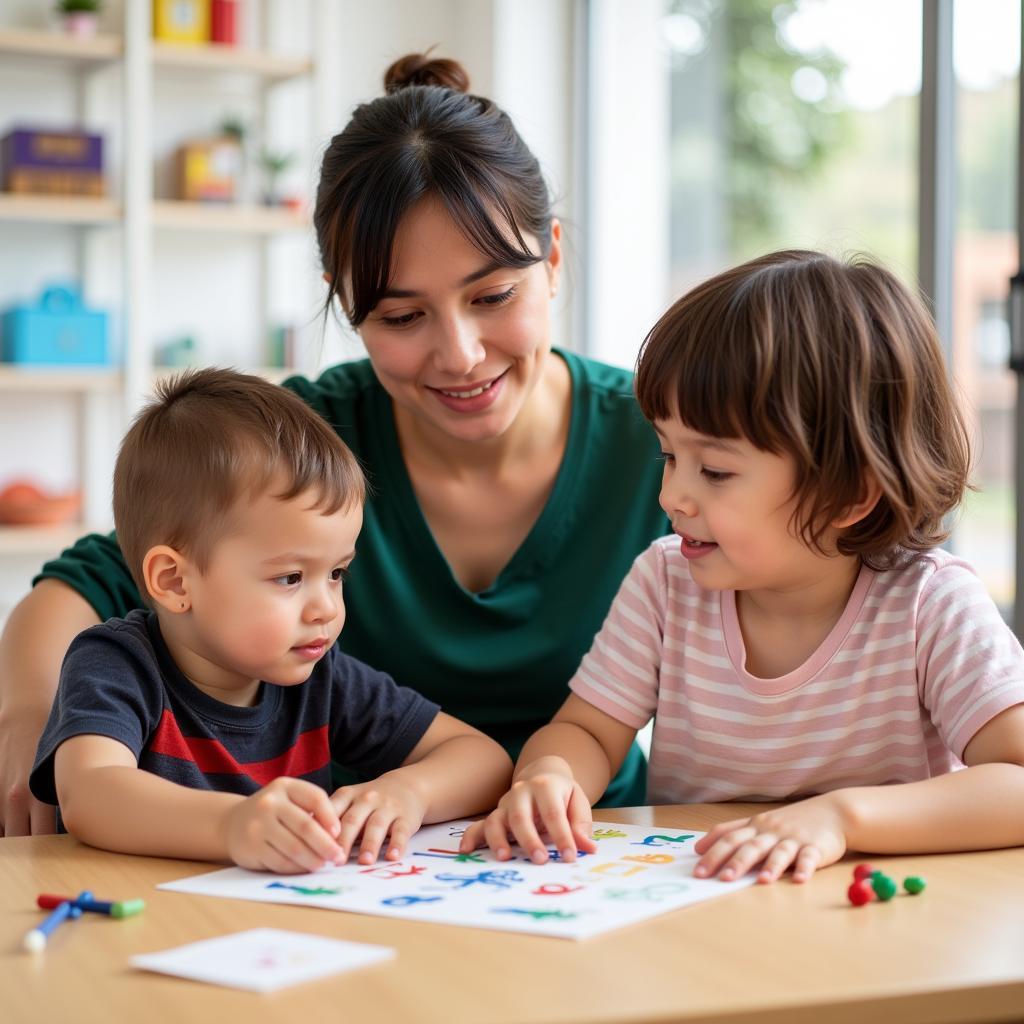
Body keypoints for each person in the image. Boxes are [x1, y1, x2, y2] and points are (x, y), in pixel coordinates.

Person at [0, 54, 667, 836]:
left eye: (493, 296)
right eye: (401, 317)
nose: (458, 354)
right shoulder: (303, 448)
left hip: (595, 851)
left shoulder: (665, 439)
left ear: (551, 258)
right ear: (345, 300)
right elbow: (87, 582)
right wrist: (27, 717)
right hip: (357, 859)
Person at [461, 249, 1024, 882]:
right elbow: (587, 732)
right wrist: (550, 775)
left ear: (847, 494)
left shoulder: (931, 604)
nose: (672, 496)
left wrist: (841, 818)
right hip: (705, 908)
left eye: (716, 471)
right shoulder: (665, 582)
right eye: (669, 456)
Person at [28, 369, 511, 871]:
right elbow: (91, 794)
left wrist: (408, 791)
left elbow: (483, 758)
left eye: (338, 572)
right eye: (291, 578)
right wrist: (231, 825)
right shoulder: (116, 663)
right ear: (174, 581)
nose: (326, 606)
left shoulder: (321, 678)